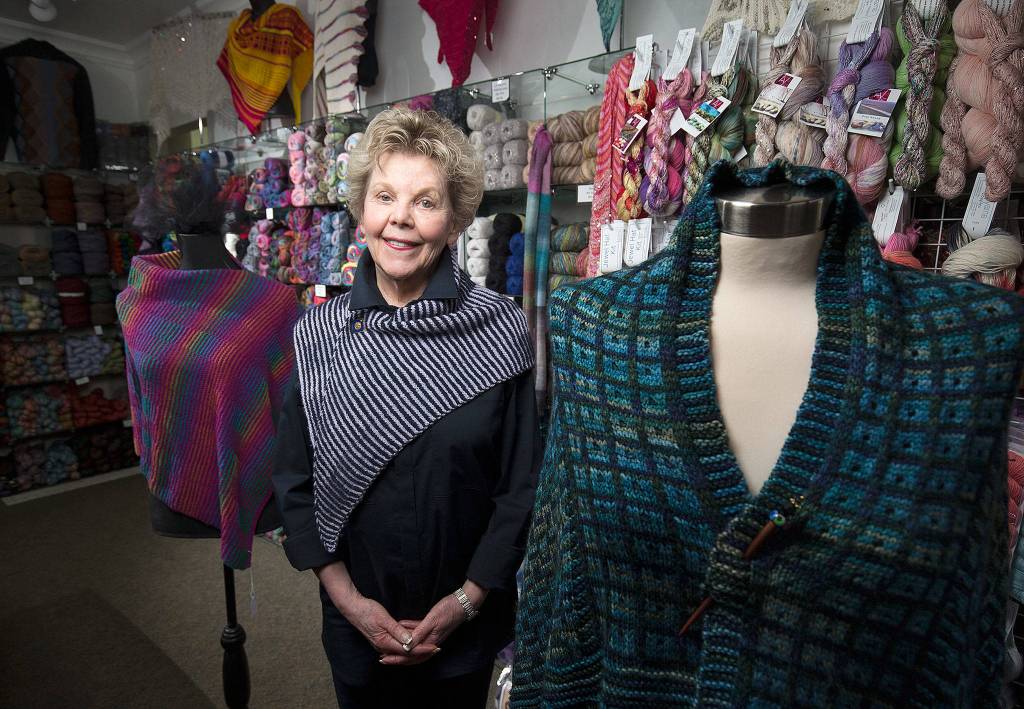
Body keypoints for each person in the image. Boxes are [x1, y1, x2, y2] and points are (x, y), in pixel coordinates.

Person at [273, 107, 541, 709]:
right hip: (354, 624)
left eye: (425, 201)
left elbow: (521, 485)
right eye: (385, 196)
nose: (400, 219)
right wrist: (349, 602)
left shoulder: (501, 330)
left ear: (453, 221)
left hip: (469, 628)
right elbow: (294, 483)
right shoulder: (318, 336)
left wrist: (465, 602)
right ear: (361, 211)